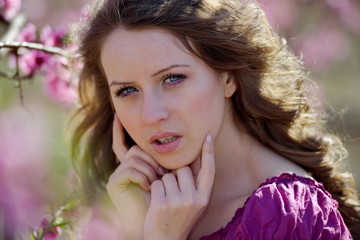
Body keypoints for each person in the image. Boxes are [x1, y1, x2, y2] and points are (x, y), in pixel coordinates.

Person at [70, 0, 360, 239]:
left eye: (173, 78)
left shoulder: (284, 215)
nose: (151, 115)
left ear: (228, 77)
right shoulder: (129, 200)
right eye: (127, 90)